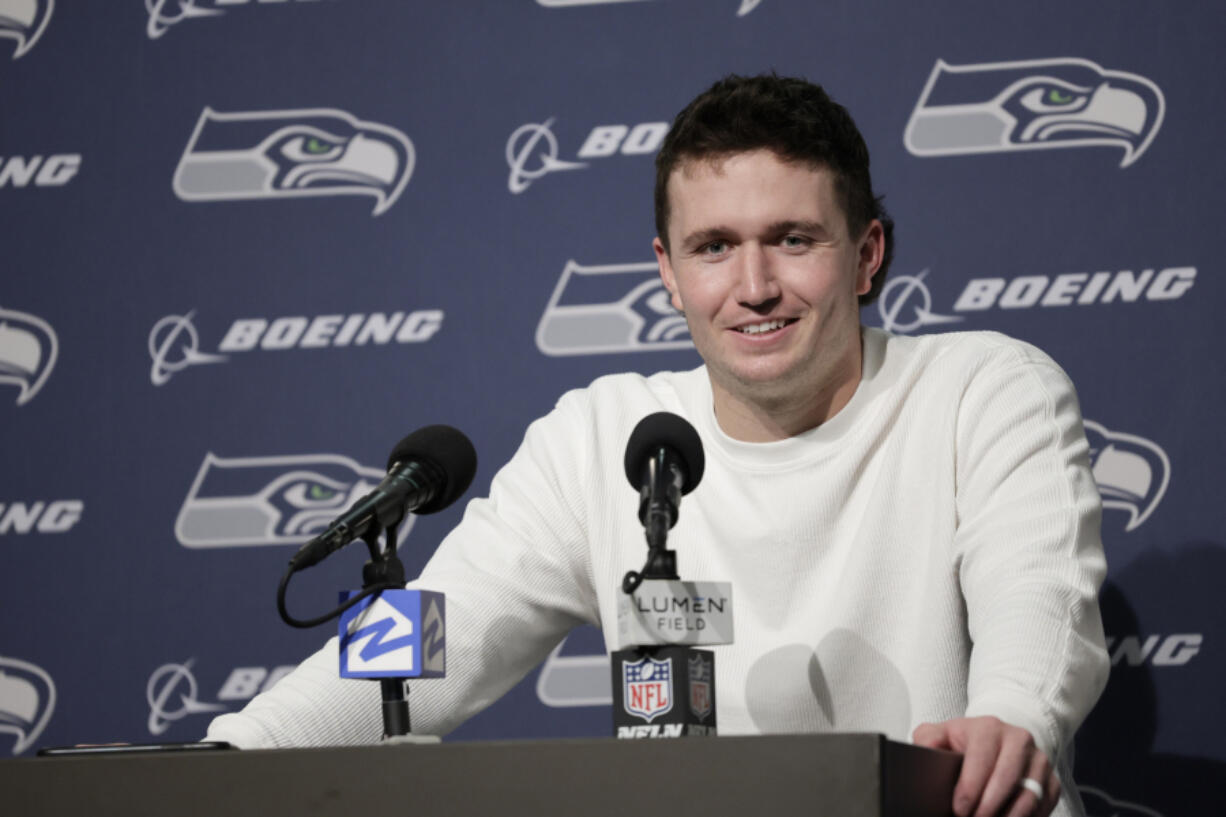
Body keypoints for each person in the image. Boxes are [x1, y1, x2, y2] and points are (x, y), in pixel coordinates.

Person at [207, 74, 1109, 817]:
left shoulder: (984, 389)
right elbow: (438, 633)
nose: (754, 286)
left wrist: (1012, 714)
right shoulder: (604, 436)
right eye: (713, 247)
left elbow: (1039, 596)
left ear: (868, 253)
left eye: (793, 240)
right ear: (667, 274)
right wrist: (233, 755)